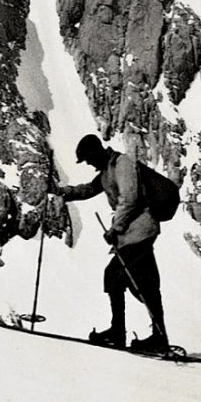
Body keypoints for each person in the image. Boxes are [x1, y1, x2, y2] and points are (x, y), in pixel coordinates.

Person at [58, 134, 168, 352]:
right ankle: (156, 337)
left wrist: (115, 229)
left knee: (117, 276)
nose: (89, 164)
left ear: (95, 152)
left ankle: (122, 333)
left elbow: (130, 199)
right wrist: (63, 192)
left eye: (88, 159)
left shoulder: (122, 164)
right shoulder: (107, 171)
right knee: (144, 284)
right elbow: (88, 190)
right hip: (132, 235)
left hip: (139, 232)